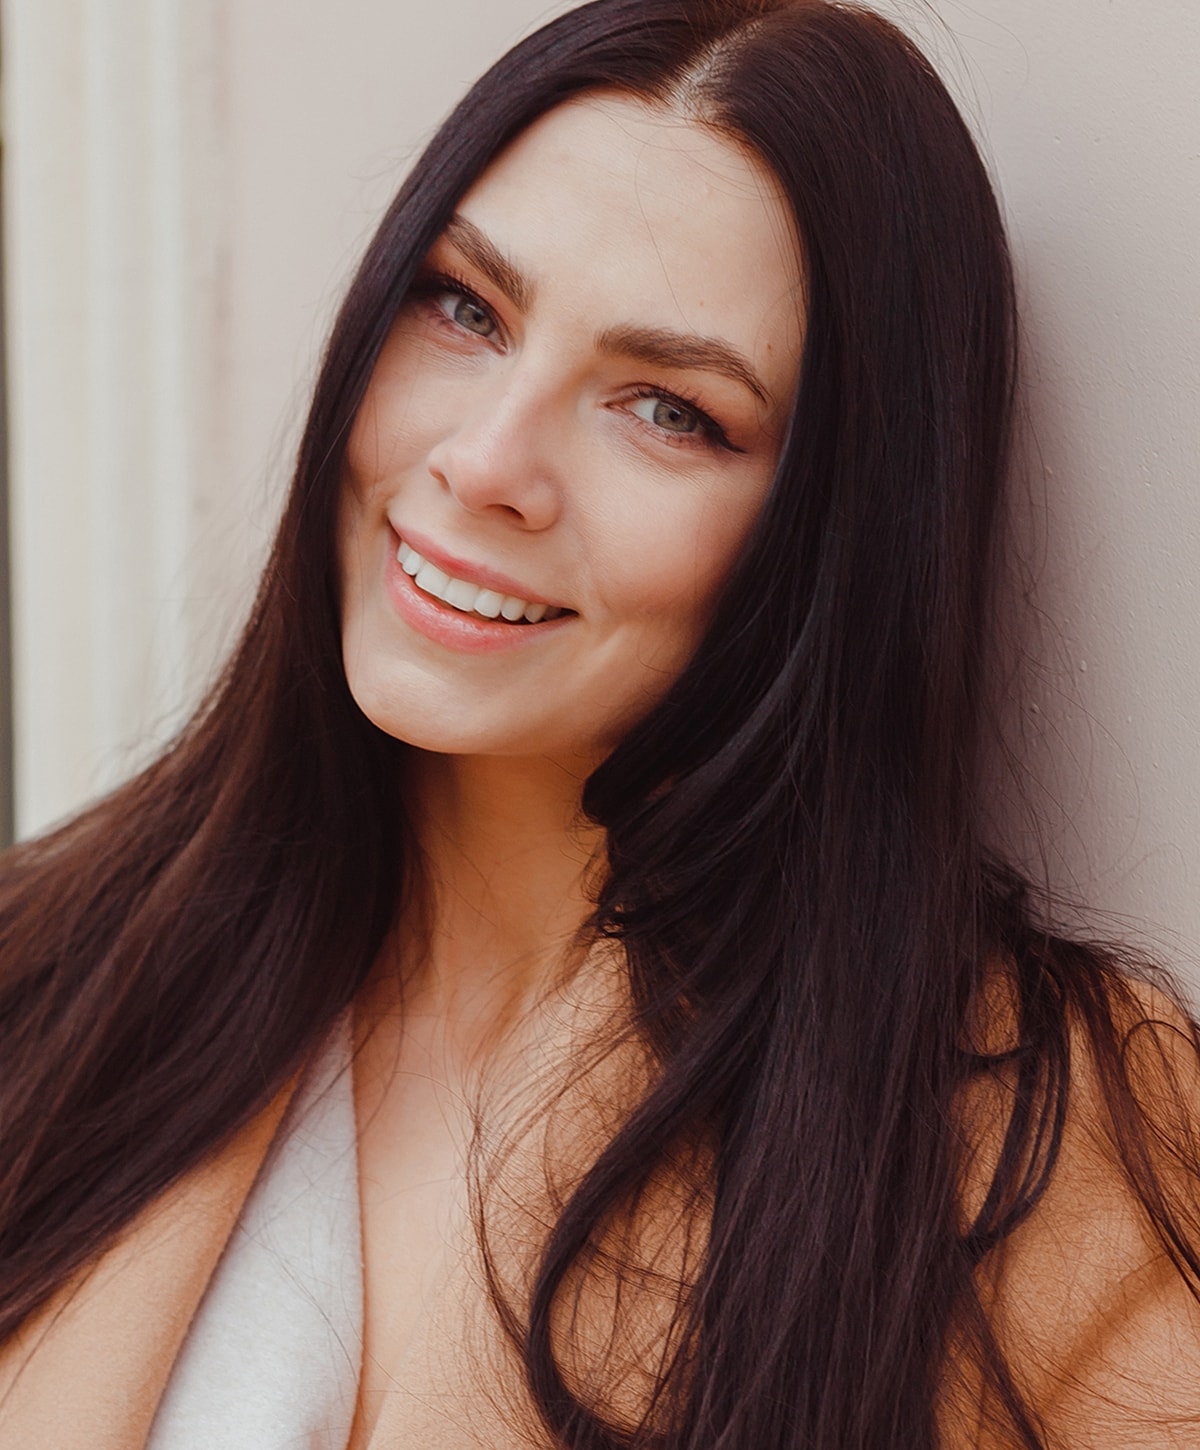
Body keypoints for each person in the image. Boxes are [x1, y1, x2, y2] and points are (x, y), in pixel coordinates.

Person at [1, 0, 1199, 1446]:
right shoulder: (47, 974)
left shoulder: (1023, 1142)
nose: (485, 461)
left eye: (669, 409)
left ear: (832, 537)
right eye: (466, 307)